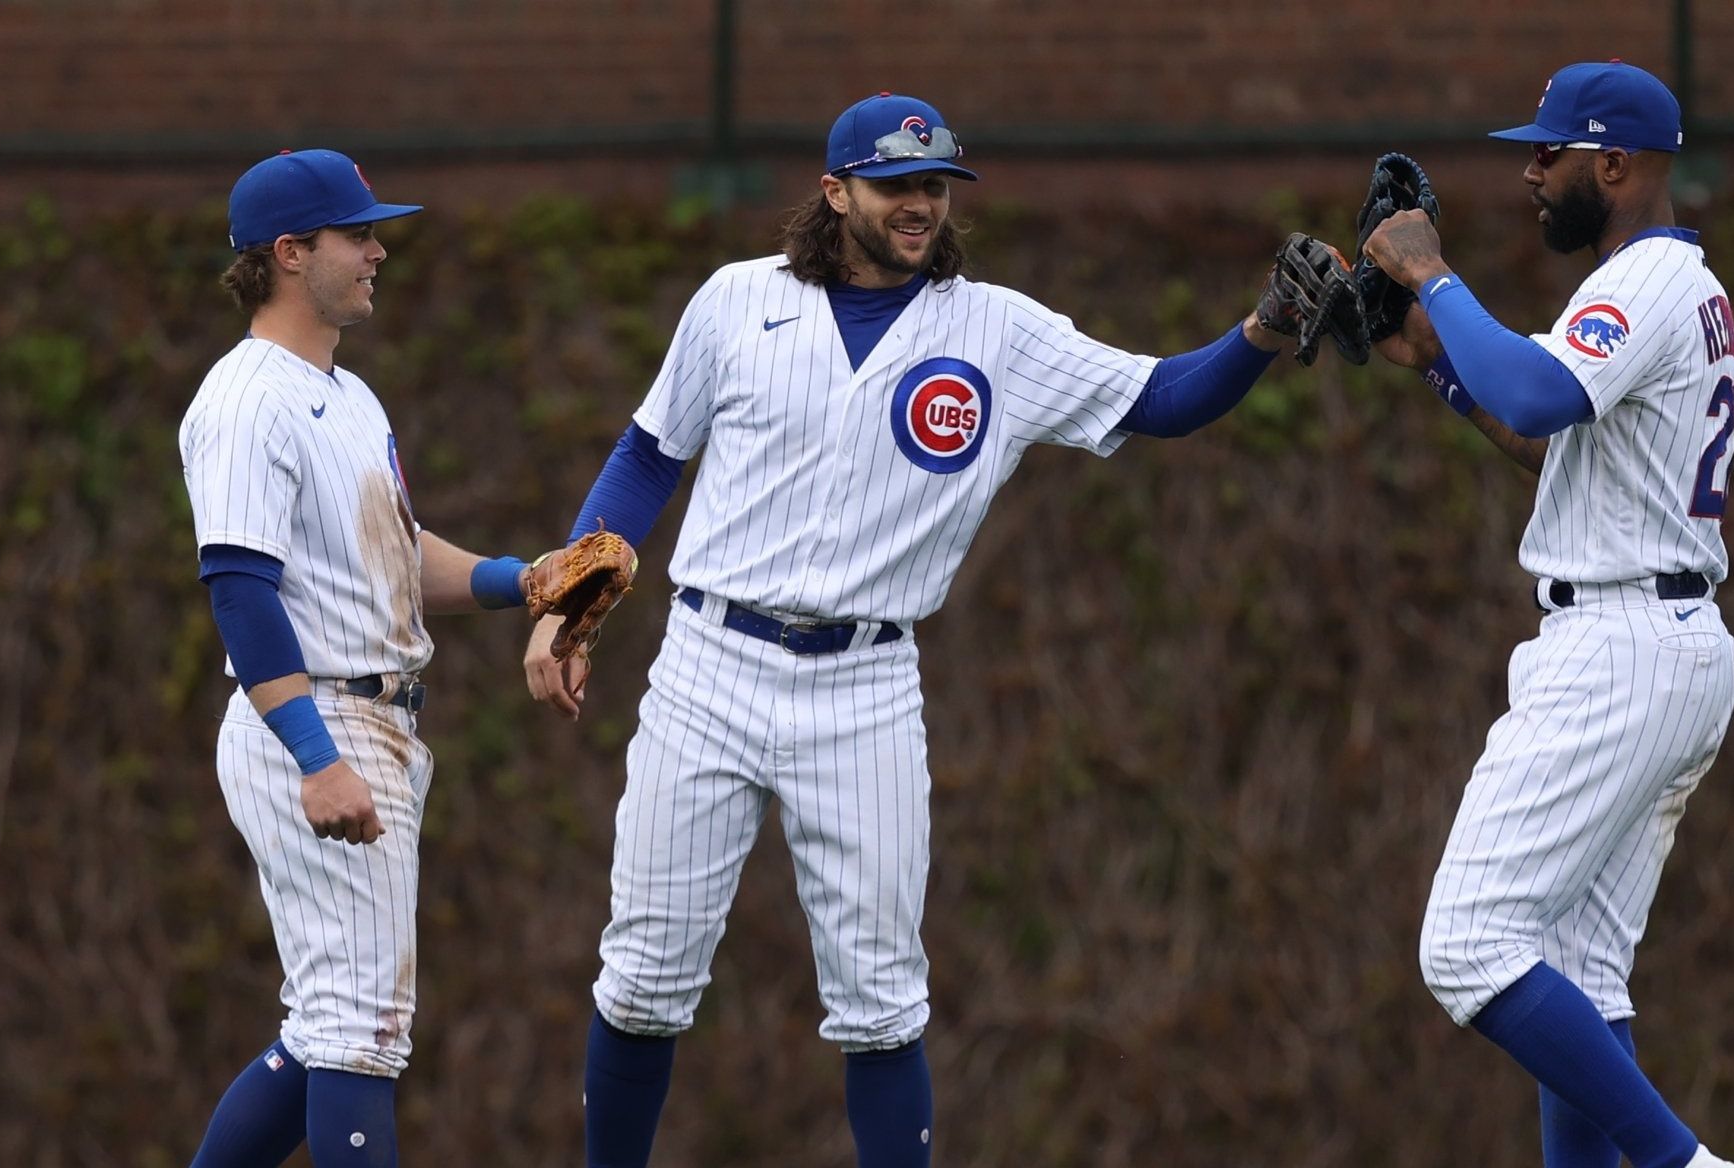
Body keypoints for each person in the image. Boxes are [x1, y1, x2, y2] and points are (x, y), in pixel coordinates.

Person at [522, 91, 1294, 1167]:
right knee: (645, 978)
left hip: (863, 684)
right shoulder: (735, 301)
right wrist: (568, 603)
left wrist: (1263, 330)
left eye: (934, 184)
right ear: (834, 191)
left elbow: (1155, 400)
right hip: (709, 662)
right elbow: (651, 451)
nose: (918, 204)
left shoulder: (996, 331)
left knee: (880, 998)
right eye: (894, 185)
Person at [1362, 62, 1734, 1168]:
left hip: (1619, 651)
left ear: (1614, 164)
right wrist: (1439, 369)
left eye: (1548, 151)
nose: (1530, 169)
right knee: (1578, 976)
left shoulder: (1642, 284)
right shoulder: (1666, 286)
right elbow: (1547, 442)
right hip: (1660, 642)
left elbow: (1534, 391)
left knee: (1466, 947)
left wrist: (1431, 274)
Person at [179, 149, 559, 1168]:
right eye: (358, 234)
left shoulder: (345, 393)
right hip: (317, 717)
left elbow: (390, 552)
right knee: (360, 1030)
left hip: (372, 718)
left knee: (328, 1028)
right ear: (291, 253)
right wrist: (314, 755)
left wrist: (519, 581)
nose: (379, 248)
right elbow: (240, 589)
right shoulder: (246, 399)